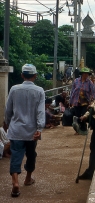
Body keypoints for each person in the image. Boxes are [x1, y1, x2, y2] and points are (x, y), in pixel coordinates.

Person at [4, 64, 45, 197]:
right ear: (35, 76)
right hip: (32, 131)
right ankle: (28, 178)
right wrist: (39, 128)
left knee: (16, 155)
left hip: (16, 130)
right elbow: (40, 112)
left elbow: (8, 110)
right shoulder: (39, 91)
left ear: (22, 75)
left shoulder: (14, 89)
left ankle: (15, 182)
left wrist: (9, 124)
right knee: (31, 154)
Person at [70, 67, 95, 134]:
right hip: (77, 101)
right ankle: (77, 129)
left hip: (85, 101)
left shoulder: (90, 82)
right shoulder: (76, 81)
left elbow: (93, 92)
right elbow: (72, 90)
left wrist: (93, 100)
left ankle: (83, 128)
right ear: (82, 74)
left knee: (84, 115)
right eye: (85, 74)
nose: (86, 75)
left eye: (87, 74)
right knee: (77, 115)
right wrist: (71, 100)